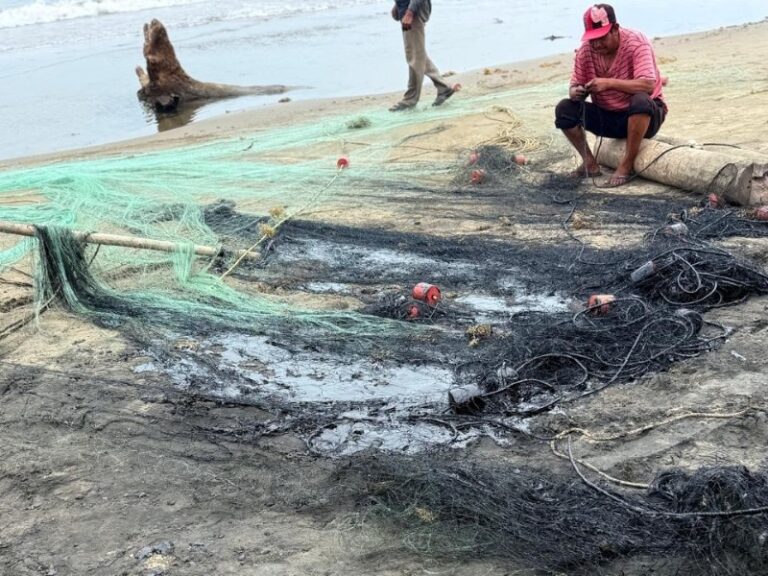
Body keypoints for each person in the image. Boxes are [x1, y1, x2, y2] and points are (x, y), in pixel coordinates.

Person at [555, 4, 667, 186]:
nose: (597, 44)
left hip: (645, 116)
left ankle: (626, 165)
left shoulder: (637, 42)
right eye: (592, 39)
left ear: (615, 29)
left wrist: (608, 83)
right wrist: (577, 92)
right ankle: (590, 163)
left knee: (640, 100)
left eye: (602, 38)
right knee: (564, 109)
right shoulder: (585, 51)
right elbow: (573, 87)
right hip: (608, 116)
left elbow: (648, 85)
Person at [389, 0, 454, 111]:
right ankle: (444, 87)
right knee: (416, 54)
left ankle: (410, 99)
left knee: (415, 56)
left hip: (413, 12)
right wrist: (398, 6)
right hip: (408, 10)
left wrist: (410, 12)